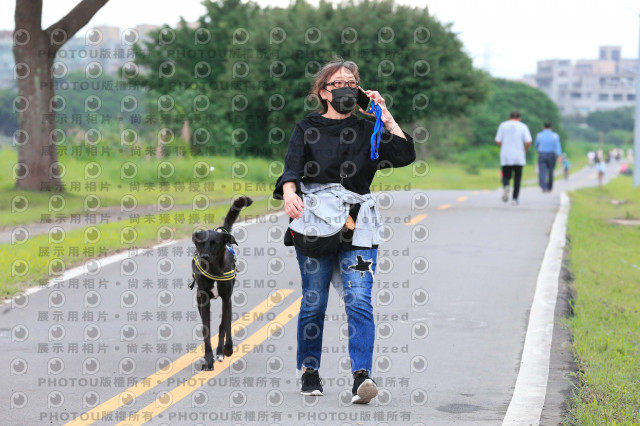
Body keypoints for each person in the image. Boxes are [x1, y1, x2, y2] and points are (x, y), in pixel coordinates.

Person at [272, 57, 416, 404]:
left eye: (352, 83)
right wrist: (290, 194)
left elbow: (405, 154)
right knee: (313, 302)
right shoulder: (307, 127)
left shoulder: (369, 129)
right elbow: (291, 169)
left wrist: (383, 112)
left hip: (359, 224)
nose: (346, 88)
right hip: (315, 222)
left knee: (359, 300)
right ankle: (309, 370)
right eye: (338, 83)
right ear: (323, 91)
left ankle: (361, 377)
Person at [495, 110, 532, 205]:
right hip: (518, 155)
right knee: (517, 178)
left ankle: (506, 186)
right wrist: (525, 150)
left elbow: (498, 141)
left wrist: (504, 146)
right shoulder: (523, 126)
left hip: (506, 154)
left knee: (506, 175)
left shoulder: (503, 125)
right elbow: (528, 141)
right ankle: (514, 198)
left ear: (509, 117)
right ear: (519, 118)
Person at [534, 122, 562, 192]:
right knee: (550, 171)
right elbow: (557, 146)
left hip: (542, 154)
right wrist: (559, 155)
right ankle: (549, 187)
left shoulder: (539, 135)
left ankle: (544, 187)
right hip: (551, 155)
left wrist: (538, 150)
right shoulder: (555, 135)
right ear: (551, 128)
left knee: (542, 171)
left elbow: (536, 145)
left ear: (543, 127)